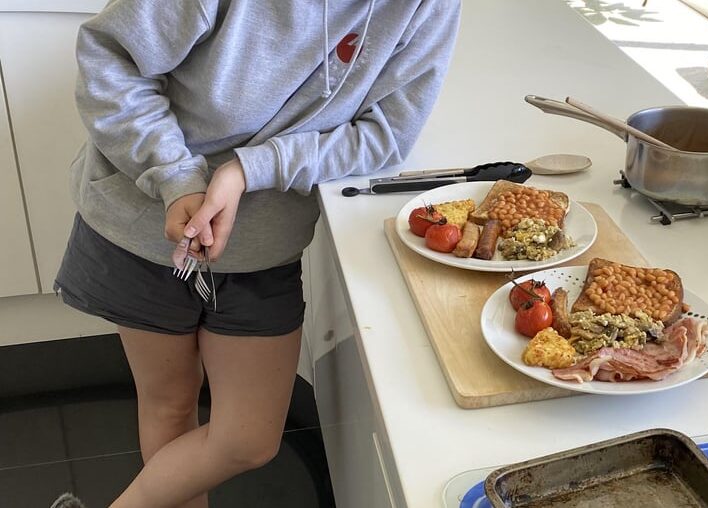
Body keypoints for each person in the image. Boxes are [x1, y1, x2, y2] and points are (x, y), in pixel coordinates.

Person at [50, 1, 460, 507]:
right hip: (145, 224)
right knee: (168, 404)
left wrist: (250, 169)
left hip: (265, 240)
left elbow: (388, 132)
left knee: (247, 440)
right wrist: (177, 179)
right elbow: (109, 60)